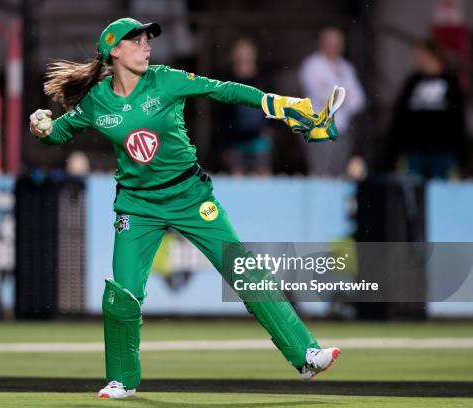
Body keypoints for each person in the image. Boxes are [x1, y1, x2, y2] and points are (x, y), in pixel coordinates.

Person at [29, 17, 342, 399]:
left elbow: (222, 90)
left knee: (244, 270)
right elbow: (61, 132)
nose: (146, 45)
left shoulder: (166, 80)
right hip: (137, 205)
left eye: (148, 39)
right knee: (122, 295)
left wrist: (277, 103)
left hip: (190, 197)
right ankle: (121, 379)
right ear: (114, 50)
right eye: (136, 40)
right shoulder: (97, 99)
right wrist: (43, 127)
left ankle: (306, 355)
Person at [385, 38, 467, 179]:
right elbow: (400, 115)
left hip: (442, 149)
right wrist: (395, 147)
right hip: (415, 149)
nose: (417, 60)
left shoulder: (449, 81)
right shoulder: (413, 81)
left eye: (420, 55)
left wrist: (460, 151)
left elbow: (458, 118)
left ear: (432, 55)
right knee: (414, 190)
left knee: (440, 189)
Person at [299, 27, 366, 177]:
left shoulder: (346, 68)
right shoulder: (312, 66)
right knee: (321, 172)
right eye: (330, 43)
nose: (334, 47)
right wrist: (345, 95)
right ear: (321, 43)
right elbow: (321, 95)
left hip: (341, 129)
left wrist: (338, 94)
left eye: (337, 44)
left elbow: (359, 100)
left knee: (340, 172)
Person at [218, 37, 272, 175]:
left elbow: (273, 106)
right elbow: (222, 115)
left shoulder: (263, 80)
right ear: (233, 56)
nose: (243, 57)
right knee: (237, 178)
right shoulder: (227, 82)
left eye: (247, 52)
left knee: (262, 176)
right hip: (235, 140)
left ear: (254, 54)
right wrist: (224, 144)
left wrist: (270, 129)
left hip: (259, 139)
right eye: (240, 53)